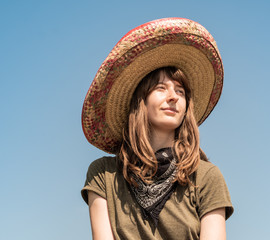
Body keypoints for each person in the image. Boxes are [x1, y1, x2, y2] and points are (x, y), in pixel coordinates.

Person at [81, 18, 233, 240]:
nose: (173, 97)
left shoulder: (206, 176)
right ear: (140, 101)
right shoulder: (104, 174)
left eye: (180, 91)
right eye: (161, 88)